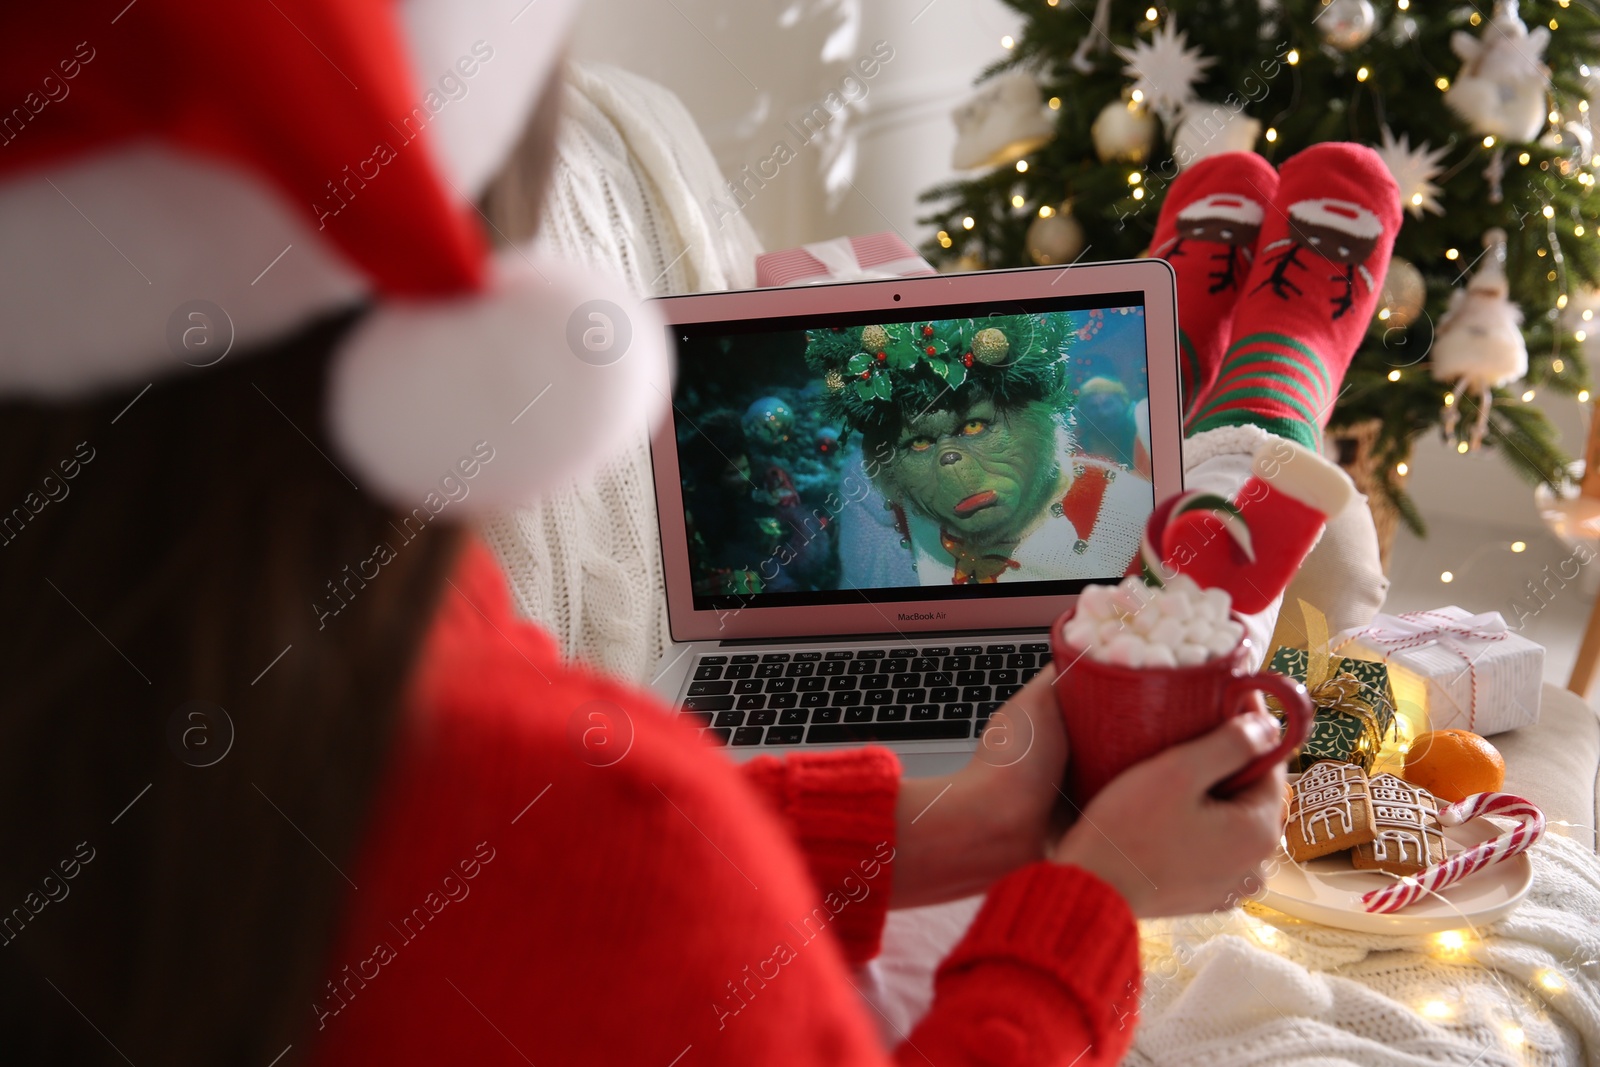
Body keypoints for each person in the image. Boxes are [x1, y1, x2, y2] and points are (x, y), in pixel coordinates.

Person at [1, 2, 1399, 1064]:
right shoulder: (610, 830)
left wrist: (937, 832)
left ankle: (1228, 368)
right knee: (1183, 577)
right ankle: (1259, 387)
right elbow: (562, 852)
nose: (959, 463)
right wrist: (1096, 899)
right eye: (917, 439)